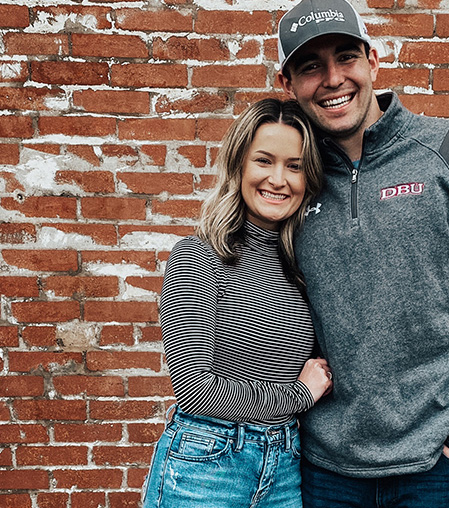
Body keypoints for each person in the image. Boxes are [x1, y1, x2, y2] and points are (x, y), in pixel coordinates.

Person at [275, 0, 449, 508]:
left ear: (373, 60)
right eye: (310, 67)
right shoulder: (290, 179)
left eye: (346, 56)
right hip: (324, 468)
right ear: (287, 85)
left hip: (437, 467)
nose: (332, 78)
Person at [142, 98, 333, 508]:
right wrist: (298, 396)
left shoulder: (301, 266)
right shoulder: (198, 256)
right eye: (264, 161)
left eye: (294, 166)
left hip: (284, 467)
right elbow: (195, 391)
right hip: (204, 465)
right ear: (239, 165)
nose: (278, 179)